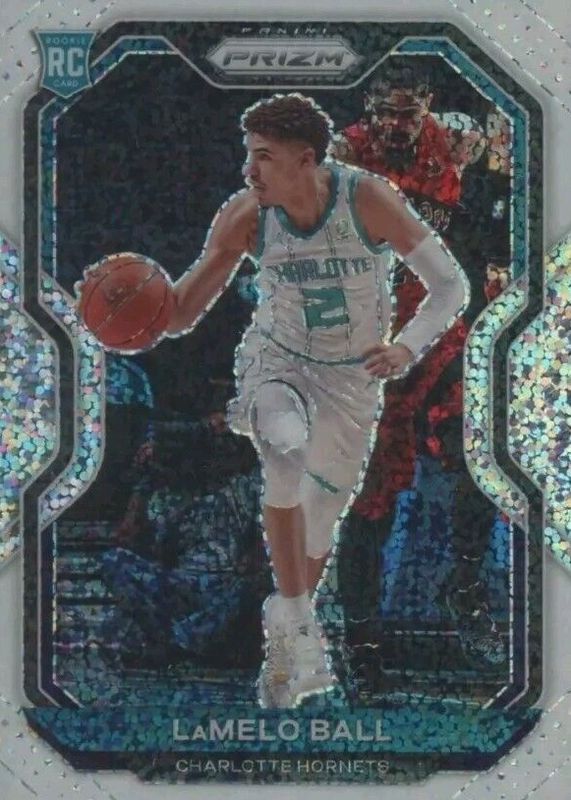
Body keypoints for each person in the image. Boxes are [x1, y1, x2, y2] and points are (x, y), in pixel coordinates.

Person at [164, 93, 467, 708]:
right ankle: (301, 628)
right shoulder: (245, 216)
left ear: (306, 160)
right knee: (284, 443)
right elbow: (180, 313)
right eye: (249, 155)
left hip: (351, 380)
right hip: (275, 360)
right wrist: (127, 313)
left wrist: (406, 348)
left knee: (321, 520)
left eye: (264, 157)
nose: (249, 170)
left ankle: (288, 626)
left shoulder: (368, 199)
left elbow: (450, 285)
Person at [333, 64, 507, 690]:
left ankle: (464, 580)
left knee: (481, 446)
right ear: (370, 110)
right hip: (370, 351)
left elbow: (506, 174)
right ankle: (361, 641)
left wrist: (497, 162)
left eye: (407, 113)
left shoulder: (458, 143)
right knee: (370, 503)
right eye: (385, 113)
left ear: (426, 108)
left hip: (439, 336)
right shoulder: (343, 156)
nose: (396, 125)